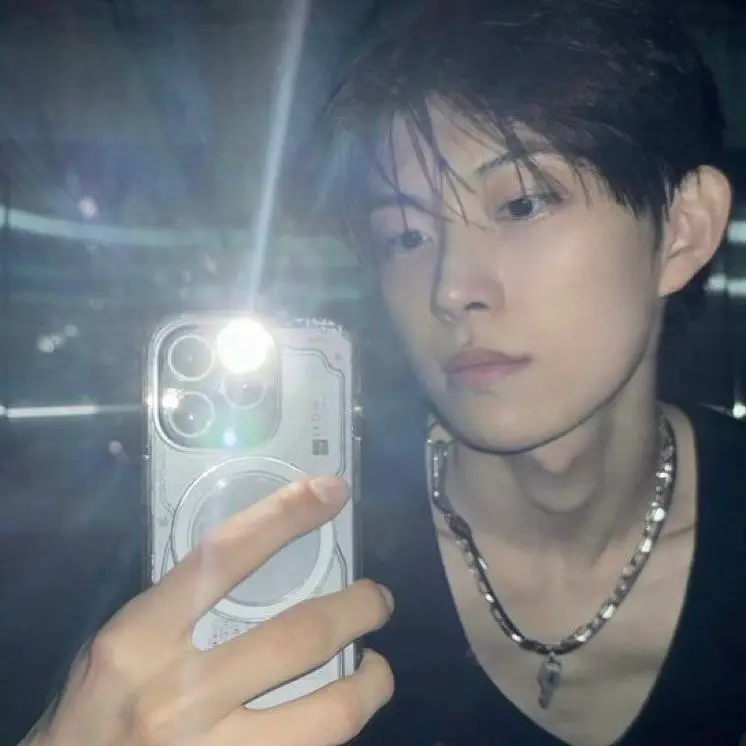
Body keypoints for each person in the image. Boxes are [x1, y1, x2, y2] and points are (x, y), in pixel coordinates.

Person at [16, 1, 746, 745]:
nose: (450, 288)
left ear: (683, 230)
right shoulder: (273, 549)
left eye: (524, 203)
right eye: (405, 235)